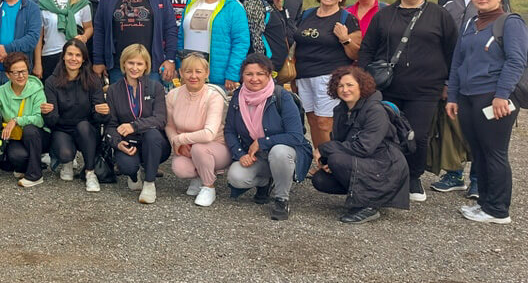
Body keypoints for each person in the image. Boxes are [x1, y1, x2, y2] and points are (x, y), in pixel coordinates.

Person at [358, 0, 457, 202]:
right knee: (388, 132)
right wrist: (365, 81)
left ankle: (413, 176)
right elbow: (367, 49)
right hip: (388, 86)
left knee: (417, 135)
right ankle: (390, 175)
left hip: (426, 88)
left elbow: (453, 51)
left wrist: (450, 84)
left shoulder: (439, 15)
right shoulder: (384, 15)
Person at [446, 0, 527, 224]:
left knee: (494, 152)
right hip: (468, 96)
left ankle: (498, 209)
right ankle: (484, 203)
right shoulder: (471, 23)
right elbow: (458, 61)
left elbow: (516, 61)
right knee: (479, 151)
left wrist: (502, 95)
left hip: (494, 97)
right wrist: (453, 95)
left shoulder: (510, 23)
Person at [432, 0, 511, 195]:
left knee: (483, 132)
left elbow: (507, 46)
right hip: (454, 72)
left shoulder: (497, 1)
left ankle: (478, 179)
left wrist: (502, 90)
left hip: (485, 79)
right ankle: (454, 174)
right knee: (454, 126)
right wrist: (446, 79)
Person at [311, 66, 410, 223]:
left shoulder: (375, 110)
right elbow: (339, 141)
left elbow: (364, 147)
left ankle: (369, 205)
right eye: (340, 85)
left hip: (385, 165)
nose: (345, 90)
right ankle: (361, 198)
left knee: (336, 159)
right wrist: (327, 160)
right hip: (364, 161)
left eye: (350, 85)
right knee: (320, 179)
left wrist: (324, 149)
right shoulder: (340, 110)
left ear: (361, 86)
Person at [225, 54, 312, 220]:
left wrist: (262, 142)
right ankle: (265, 182)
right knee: (236, 178)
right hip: (257, 156)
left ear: (269, 75)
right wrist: (240, 154)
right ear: (242, 76)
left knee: (279, 152)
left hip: (286, 153)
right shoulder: (237, 97)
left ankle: (281, 199)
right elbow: (229, 130)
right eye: (249, 74)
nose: (254, 79)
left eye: (260, 74)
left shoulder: (282, 96)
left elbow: (296, 136)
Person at [293, 0, 361, 156]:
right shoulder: (306, 15)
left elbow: (356, 54)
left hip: (329, 75)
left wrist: (345, 39)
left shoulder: (346, 19)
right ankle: (320, 159)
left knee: (325, 122)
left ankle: (332, 161)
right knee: (312, 120)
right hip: (304, 75)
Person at [92, 0, 178, 85]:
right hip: (117, 68)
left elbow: (170, 28)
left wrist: (170, 59)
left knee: (150, 98)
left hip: (151, 67)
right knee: (118, 98)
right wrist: (98, 60)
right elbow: (99, 30)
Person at [104, 44, 170, 204]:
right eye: (131, 63)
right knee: (127, 167)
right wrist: (117, 143)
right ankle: (134, 175)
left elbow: (160, 119)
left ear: (146, 66)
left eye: (139, 64)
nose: (134, 68)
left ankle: (149, 183)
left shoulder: (156, 87)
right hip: (128, 142)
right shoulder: (113, 90)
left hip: (153, 143)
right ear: (123, 64)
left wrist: (134, 126)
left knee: (152, 133)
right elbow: (111, 125)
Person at [165, 54, 230, 207]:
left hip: (216, 148)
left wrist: (180, 139)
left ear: (206, 73)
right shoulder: (173, 95)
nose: (193, 76)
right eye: (188, 71)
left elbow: (209, 134)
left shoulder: (214, 97)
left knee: (200, 149)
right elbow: (169, 125)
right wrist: (176, 142)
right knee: (180, 168)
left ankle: (209, 186)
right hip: (186, 147)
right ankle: (199, 177)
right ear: (181, 73)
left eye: (198, 71)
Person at [42, 39, 106, 192]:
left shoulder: (93, 80)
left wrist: (103, 112)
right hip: (62, 128)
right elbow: (52, 121)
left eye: (78, 55)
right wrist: (47, 113)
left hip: (87, 129)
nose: (73, 59)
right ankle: (67, 162)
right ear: (63, 56)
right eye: (70, 54)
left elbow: (98, 118)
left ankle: (90, 172)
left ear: (83, 59)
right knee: (65, 154)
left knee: (83, 126)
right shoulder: (51, 81)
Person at [177, 0, 249, 93]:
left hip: (217, 78)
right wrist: (179, 65)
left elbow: (241, 43)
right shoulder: (191, 4)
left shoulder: (234, 7)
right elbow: (181, 36)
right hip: (190, 74)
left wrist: (232, 73)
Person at [0, 52, 49, 187]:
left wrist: (16, 120)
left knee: (30, 130)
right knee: (16, 156)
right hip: (15, 137)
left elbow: (39, 120)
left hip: (37, 135)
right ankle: (25, 166)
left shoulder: (37, 89)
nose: (21, 76)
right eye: (16, 72)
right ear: (8, 75)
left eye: (24, 71)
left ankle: (35, 175)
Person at [34, 0, 93, 81]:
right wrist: (38, 64)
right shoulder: (43, 4)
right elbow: (39, 37)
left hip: (75, 56)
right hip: (50, 56)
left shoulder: (81, 3)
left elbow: (89, 28)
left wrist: (84, 37)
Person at [240, 0, 294, 71]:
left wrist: (280, 8)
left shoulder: (269, 1)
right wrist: (261, 67)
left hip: (273, 67)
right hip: (264, 67)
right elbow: (255, 37)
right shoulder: (254, 2)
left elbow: (285, 30)